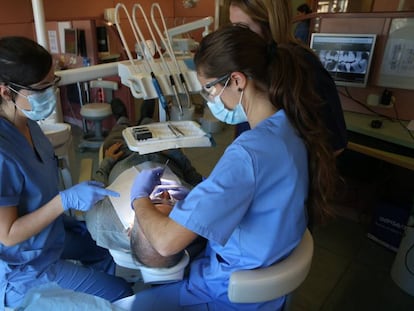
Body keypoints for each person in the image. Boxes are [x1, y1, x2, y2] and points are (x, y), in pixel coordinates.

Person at [126, 24, 338, 310]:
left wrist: (139, 199)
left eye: (209, 90)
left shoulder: (248, 153)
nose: (211, 100)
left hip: (225, 294)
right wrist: (202, 199)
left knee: (124, 305)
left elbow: (165, 242)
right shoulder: (291, 125)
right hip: (269, 289)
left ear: (237, 80)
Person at [0, 36, 133, 308]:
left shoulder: (30, 125)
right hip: (24, 265)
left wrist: (105, 165)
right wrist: (66, 200)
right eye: (42, 88)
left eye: (53, 82)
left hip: (51, 235)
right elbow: (8, 235)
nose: (52, 93)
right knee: (121, 293)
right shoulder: (2, 152)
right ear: (5, 91)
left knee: (110, 250)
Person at [85, 98, 206, 269]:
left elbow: (97, 186)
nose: (164, 193)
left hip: (123, 157)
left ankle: (122, 119)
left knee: (116, 138)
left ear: (129, 231)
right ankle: (146, 117)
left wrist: (107, 161)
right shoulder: (195, 219)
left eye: (153, 202)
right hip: (165, 156)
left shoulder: (99, 221)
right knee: (153, 129)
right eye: (171, 201)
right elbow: (192, 176)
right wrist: (175, 154)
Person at [227, 0, 348, 156]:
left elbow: (334, 145)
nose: (234, 37)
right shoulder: (252, 63)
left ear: (270, 25)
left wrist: (287, 172)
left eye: (242, 28)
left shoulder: (305, 69)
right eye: (233, 27)